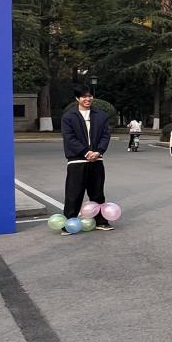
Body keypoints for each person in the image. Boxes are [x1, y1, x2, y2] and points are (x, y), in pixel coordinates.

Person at [61, 85, 113, 233]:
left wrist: (98, 151)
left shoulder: (101, 116)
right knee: (74, 194)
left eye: (90, 96)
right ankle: (68, 224)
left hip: (96, 160)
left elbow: (105, 135)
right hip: (77, 161)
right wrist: (85, 152)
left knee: (97, 193)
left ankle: (101, 221)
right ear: (77, 98)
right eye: (84, 96)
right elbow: (69, 138)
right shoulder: (69, 117)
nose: (88, 99)